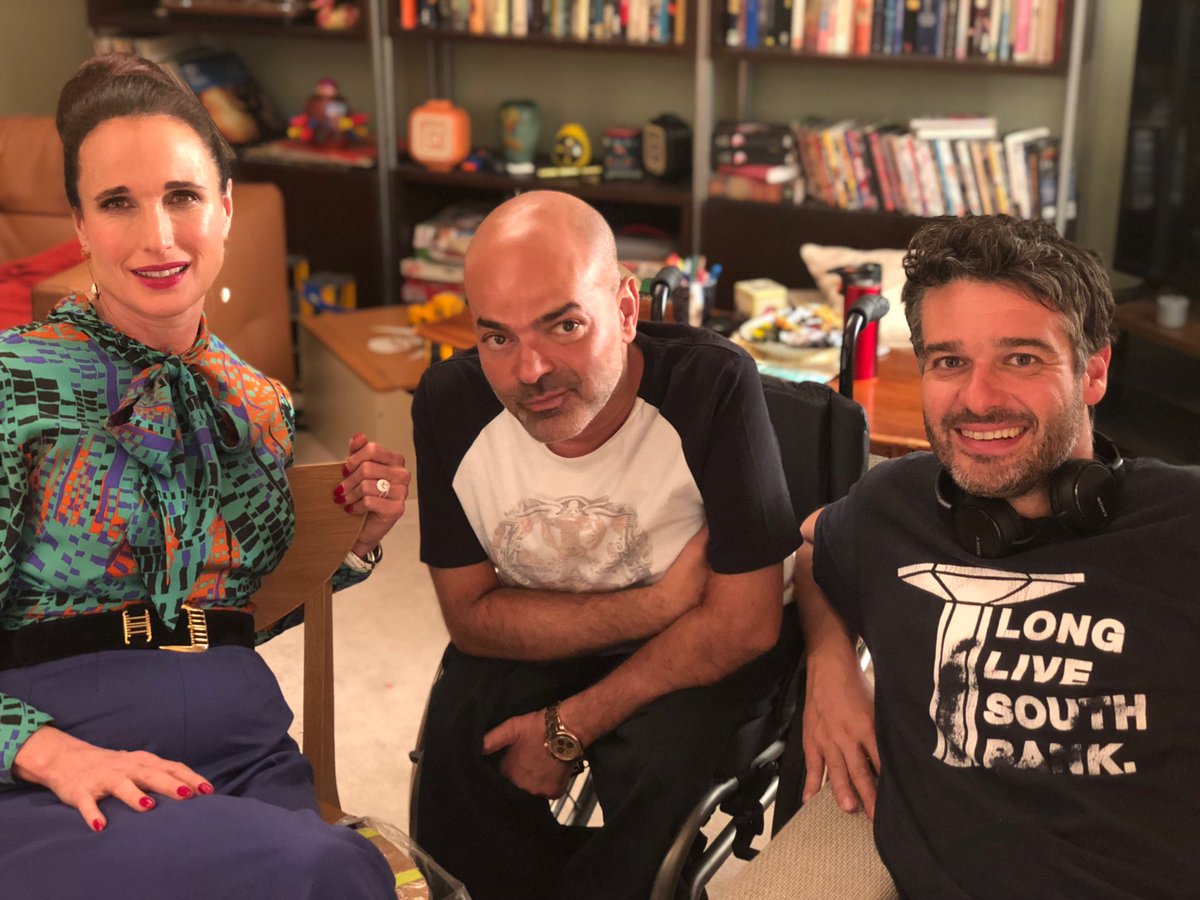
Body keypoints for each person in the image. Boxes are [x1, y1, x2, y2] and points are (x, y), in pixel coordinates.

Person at [0, 54, 410, 899]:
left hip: (246, 747)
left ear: (225, 207)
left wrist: (355, 543)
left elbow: (231, 614)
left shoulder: (261, 404)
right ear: (80, 225)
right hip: (61, 762)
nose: (158, 236)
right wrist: (51, 753)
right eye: (118, 203)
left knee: (319, 868)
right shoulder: (14, 380)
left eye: (182, 196)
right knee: (329, 872)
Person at [411, 190, 802, 899]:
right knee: (459, 752)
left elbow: (745, 624)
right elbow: (470, 618)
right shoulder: (448, 403)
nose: (530, 370)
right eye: (498, 338)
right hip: (600, 624)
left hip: (697, 647)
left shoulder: (713, 386)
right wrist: (660, 604)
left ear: (625, 309)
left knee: (658, 763)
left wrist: (568, 727)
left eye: (564, 325)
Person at [797, 215, 1200, 898]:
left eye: (1021, 358)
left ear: (1094, 371)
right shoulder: (891, 506)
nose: (978, 399)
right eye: (949, 361)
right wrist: (830, 664)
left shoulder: (1184, 521)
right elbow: (811, 547)